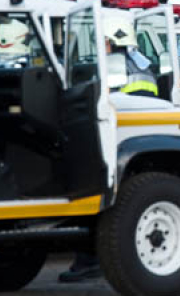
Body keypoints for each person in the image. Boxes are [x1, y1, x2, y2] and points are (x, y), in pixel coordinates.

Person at [60, 16, 157, 284]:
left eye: (102, 41)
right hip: (135, 145)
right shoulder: (140, 66)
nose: (98, 45)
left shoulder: (116, 69)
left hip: (117, 142)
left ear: (113, 42)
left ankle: (89, 260)